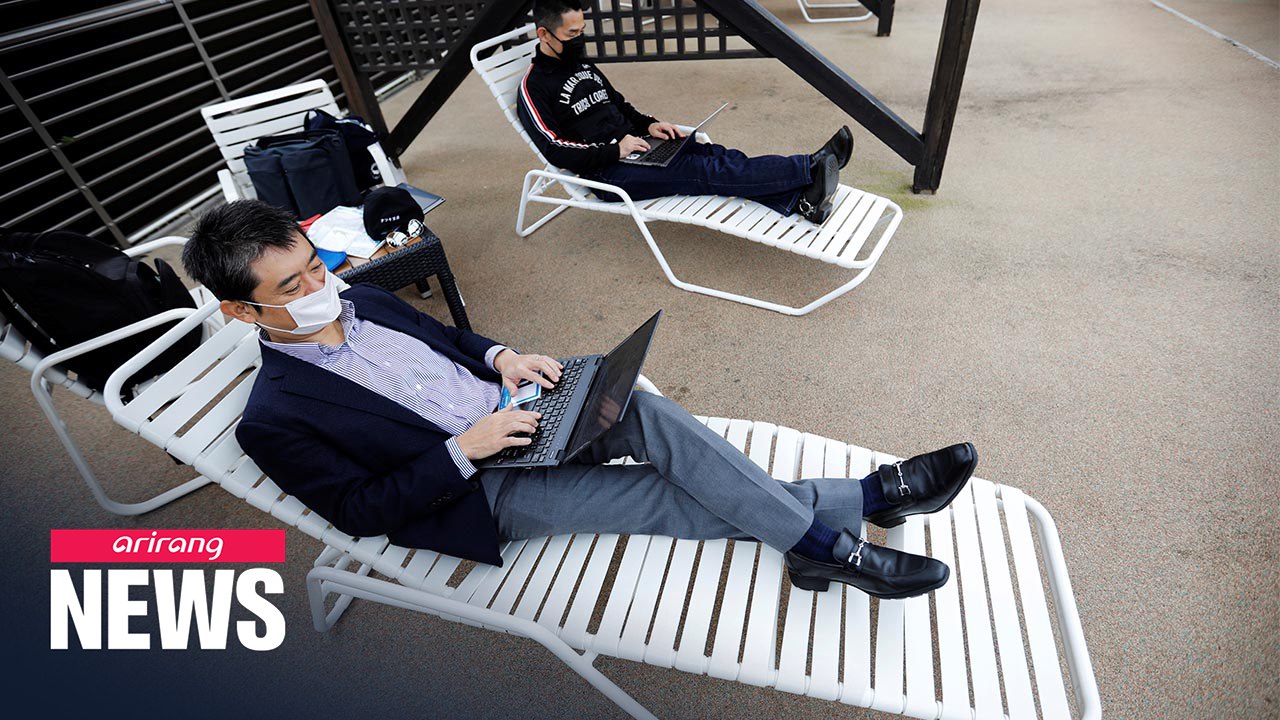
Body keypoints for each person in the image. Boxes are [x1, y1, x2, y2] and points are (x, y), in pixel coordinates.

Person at [182, 201, 978, 599]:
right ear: (240, 310)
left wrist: (502, 355)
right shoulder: (276, 419)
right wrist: (469, 449)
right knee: (654, 493)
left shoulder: (360, 299)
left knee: (650, 412)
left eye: (317, 266)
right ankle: (853, 518)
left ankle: (838, 526)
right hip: (478, 488)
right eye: (295, 286)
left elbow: (455, 344)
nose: (323, 287)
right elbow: (359, 509)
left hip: (519, 413)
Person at [516, 0, 852, 225]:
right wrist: (614, 150)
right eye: (572, 34)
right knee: (707, 170)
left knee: (716, 155)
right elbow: (554, 149)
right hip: (609, 173)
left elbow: (621, 107)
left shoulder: (583, 66)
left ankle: (800, 201)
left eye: (582, 31)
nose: (580, 39)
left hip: (640, 147)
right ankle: (809, 166)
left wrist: (652, 125)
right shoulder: (534, 87)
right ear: (544, 34)